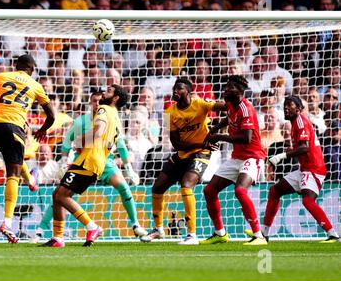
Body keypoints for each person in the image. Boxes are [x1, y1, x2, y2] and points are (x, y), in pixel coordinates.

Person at [45, 90, 147, 238]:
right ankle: (57, 237)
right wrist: (64, 160)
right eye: (95, 100)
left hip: (91, 160)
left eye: (109, 91)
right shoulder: (111, 116)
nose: (101, 98)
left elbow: (100, 133)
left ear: (115, 98)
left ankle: (93, 226)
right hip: (92, 160)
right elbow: (69, 139)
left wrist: (80, 141)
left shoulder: (104, 110)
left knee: (61, 195)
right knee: (59, 194)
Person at [141, 78, 225, 245]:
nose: (175, 91)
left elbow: (222, 106)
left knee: (186, 185)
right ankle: (158, 229)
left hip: (202, 152)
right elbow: (176, 143)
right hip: (184, 151)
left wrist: (225, 102)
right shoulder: (169, 112)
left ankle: (192, 235)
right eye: (174, 88)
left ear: (188, 91)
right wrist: (202, 142)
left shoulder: (200, 104)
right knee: (157, 187)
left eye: (179, 88)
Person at [249, 96, 340, 243]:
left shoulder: (300, 121)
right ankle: (263, 234)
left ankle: (333, 234)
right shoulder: (295, 124)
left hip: (313, 169)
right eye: (285, 105)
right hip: (305, 168)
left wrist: (281, 156)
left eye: (290, 106)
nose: (286, 108)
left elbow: (304, 148)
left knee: (308, 201)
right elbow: (302, 147)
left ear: (298, 109)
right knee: (274, 191)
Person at [0, 54, 55, 243]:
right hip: (14, 127)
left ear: (16, 65)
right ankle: (7, 222)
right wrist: (42, 130)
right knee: (13, 174)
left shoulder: (1, 76)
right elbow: (52, 115)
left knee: (13, 159)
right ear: (32, 69)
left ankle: (32, 180)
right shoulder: (35, 85)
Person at [202, 75, 268, 246]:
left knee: (240, 191)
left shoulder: (247, 109)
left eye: (229, 87)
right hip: (237, 157)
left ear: (239, 91)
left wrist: (220, 136)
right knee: (209, 190)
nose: (225, 90)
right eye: (225, 86)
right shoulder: (231, 105)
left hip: (253, 157)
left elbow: (246, 138)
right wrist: (215, 127)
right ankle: (220, 233)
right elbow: (229, 118)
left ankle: (258, 235)